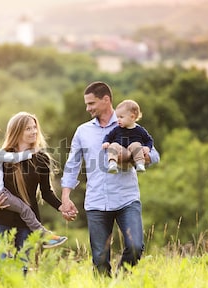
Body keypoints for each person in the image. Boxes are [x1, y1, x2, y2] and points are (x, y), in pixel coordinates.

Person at [60, 81, 160, 277]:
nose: (87, 108)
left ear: (106, 100)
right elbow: (72, 164)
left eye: (91, 103)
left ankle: (121, 282)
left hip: (126, 198)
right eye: (86, 104)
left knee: (135, 246)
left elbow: (155, 155)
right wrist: (65, 196)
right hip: (96, 201)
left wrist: (137, 156)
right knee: (99, 258)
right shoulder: (83, 131)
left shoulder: (131, 125)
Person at [0, 115, 68, 251]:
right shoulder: (3, 156)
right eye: (28, 128)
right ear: (17, 131)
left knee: (24, 268)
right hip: (3, 220)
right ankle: (44, 235)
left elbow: (46, 192)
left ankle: (43, 236)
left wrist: (62, 207)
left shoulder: (41, 158)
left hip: (27, 225)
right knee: (2, 268)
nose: (34, 131)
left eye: (35, 128)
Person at [102, 99, 154, 174]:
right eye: (117, 117)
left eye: (121, 117)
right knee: (114, 145)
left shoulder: (139, 130)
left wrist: (147, 147)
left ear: (132, 117)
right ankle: (112, 163)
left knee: (136, 144)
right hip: (121, 151)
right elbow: (108, 136)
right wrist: (106, 142)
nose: (118, 120)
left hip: (133, 153)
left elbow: (149, 140)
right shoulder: (117, 129)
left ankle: (139, 164)